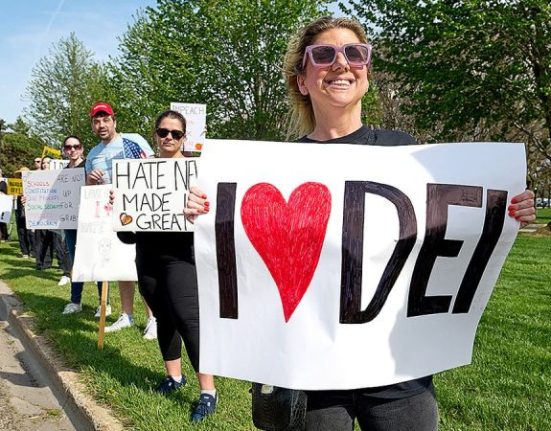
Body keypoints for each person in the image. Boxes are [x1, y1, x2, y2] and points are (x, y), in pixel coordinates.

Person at [185, 16, 536, 431]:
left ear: (366, 72)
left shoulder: (405, 153)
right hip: (311, 374)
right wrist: (209, 212)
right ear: (302, 81)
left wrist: (504, 211)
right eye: (323, 54)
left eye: (354, 53)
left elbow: (437, 234)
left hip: (397, 370)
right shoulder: (275, 170)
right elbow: (250, 264)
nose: (341, 63)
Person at [112, 110, 217, 422]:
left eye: (175, 133)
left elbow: (210, 222)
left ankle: (208, 391)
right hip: (147, 256)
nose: (168, 137)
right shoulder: (137, 174)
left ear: (184, 138)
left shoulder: (197, 174)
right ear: (155, 134)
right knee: (162, 317)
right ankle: (174, 377)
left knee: (188, 318)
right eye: (163, 132)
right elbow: (127, 235)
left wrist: (201, 210)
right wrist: (121, 208)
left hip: (182, 257)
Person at [85, 101, 157, 338]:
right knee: (121, 265)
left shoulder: (133, 141)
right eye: (96, 121)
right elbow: (88, 191)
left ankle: (153, 317)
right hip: (110, 216)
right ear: (92, 126)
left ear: (114, 121)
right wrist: (91, 181)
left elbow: (154, 169)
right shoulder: (93, 154)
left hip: (138, 212)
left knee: (142, 264)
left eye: (106, 120)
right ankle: (127, 315)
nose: (101, 125)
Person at [60, 135, 110, 316]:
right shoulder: (62, 173)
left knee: (98, 258)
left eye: (76, 146)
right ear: (64, 150)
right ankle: (75, 301)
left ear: (82, 149)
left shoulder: (89, 167)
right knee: (76, 261)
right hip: (71, 222)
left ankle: (104, 303)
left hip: (91, 221)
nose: (72, 150)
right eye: (68, 147)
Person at [13, 167, 33, 257]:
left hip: (29, 207)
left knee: (30, 230)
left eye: (24, 175)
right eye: (21, 175)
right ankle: (24, 251)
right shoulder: (16, 185)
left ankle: (33, 251)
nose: (22, 176)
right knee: (21, 230)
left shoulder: (32, 185)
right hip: (18, 206)